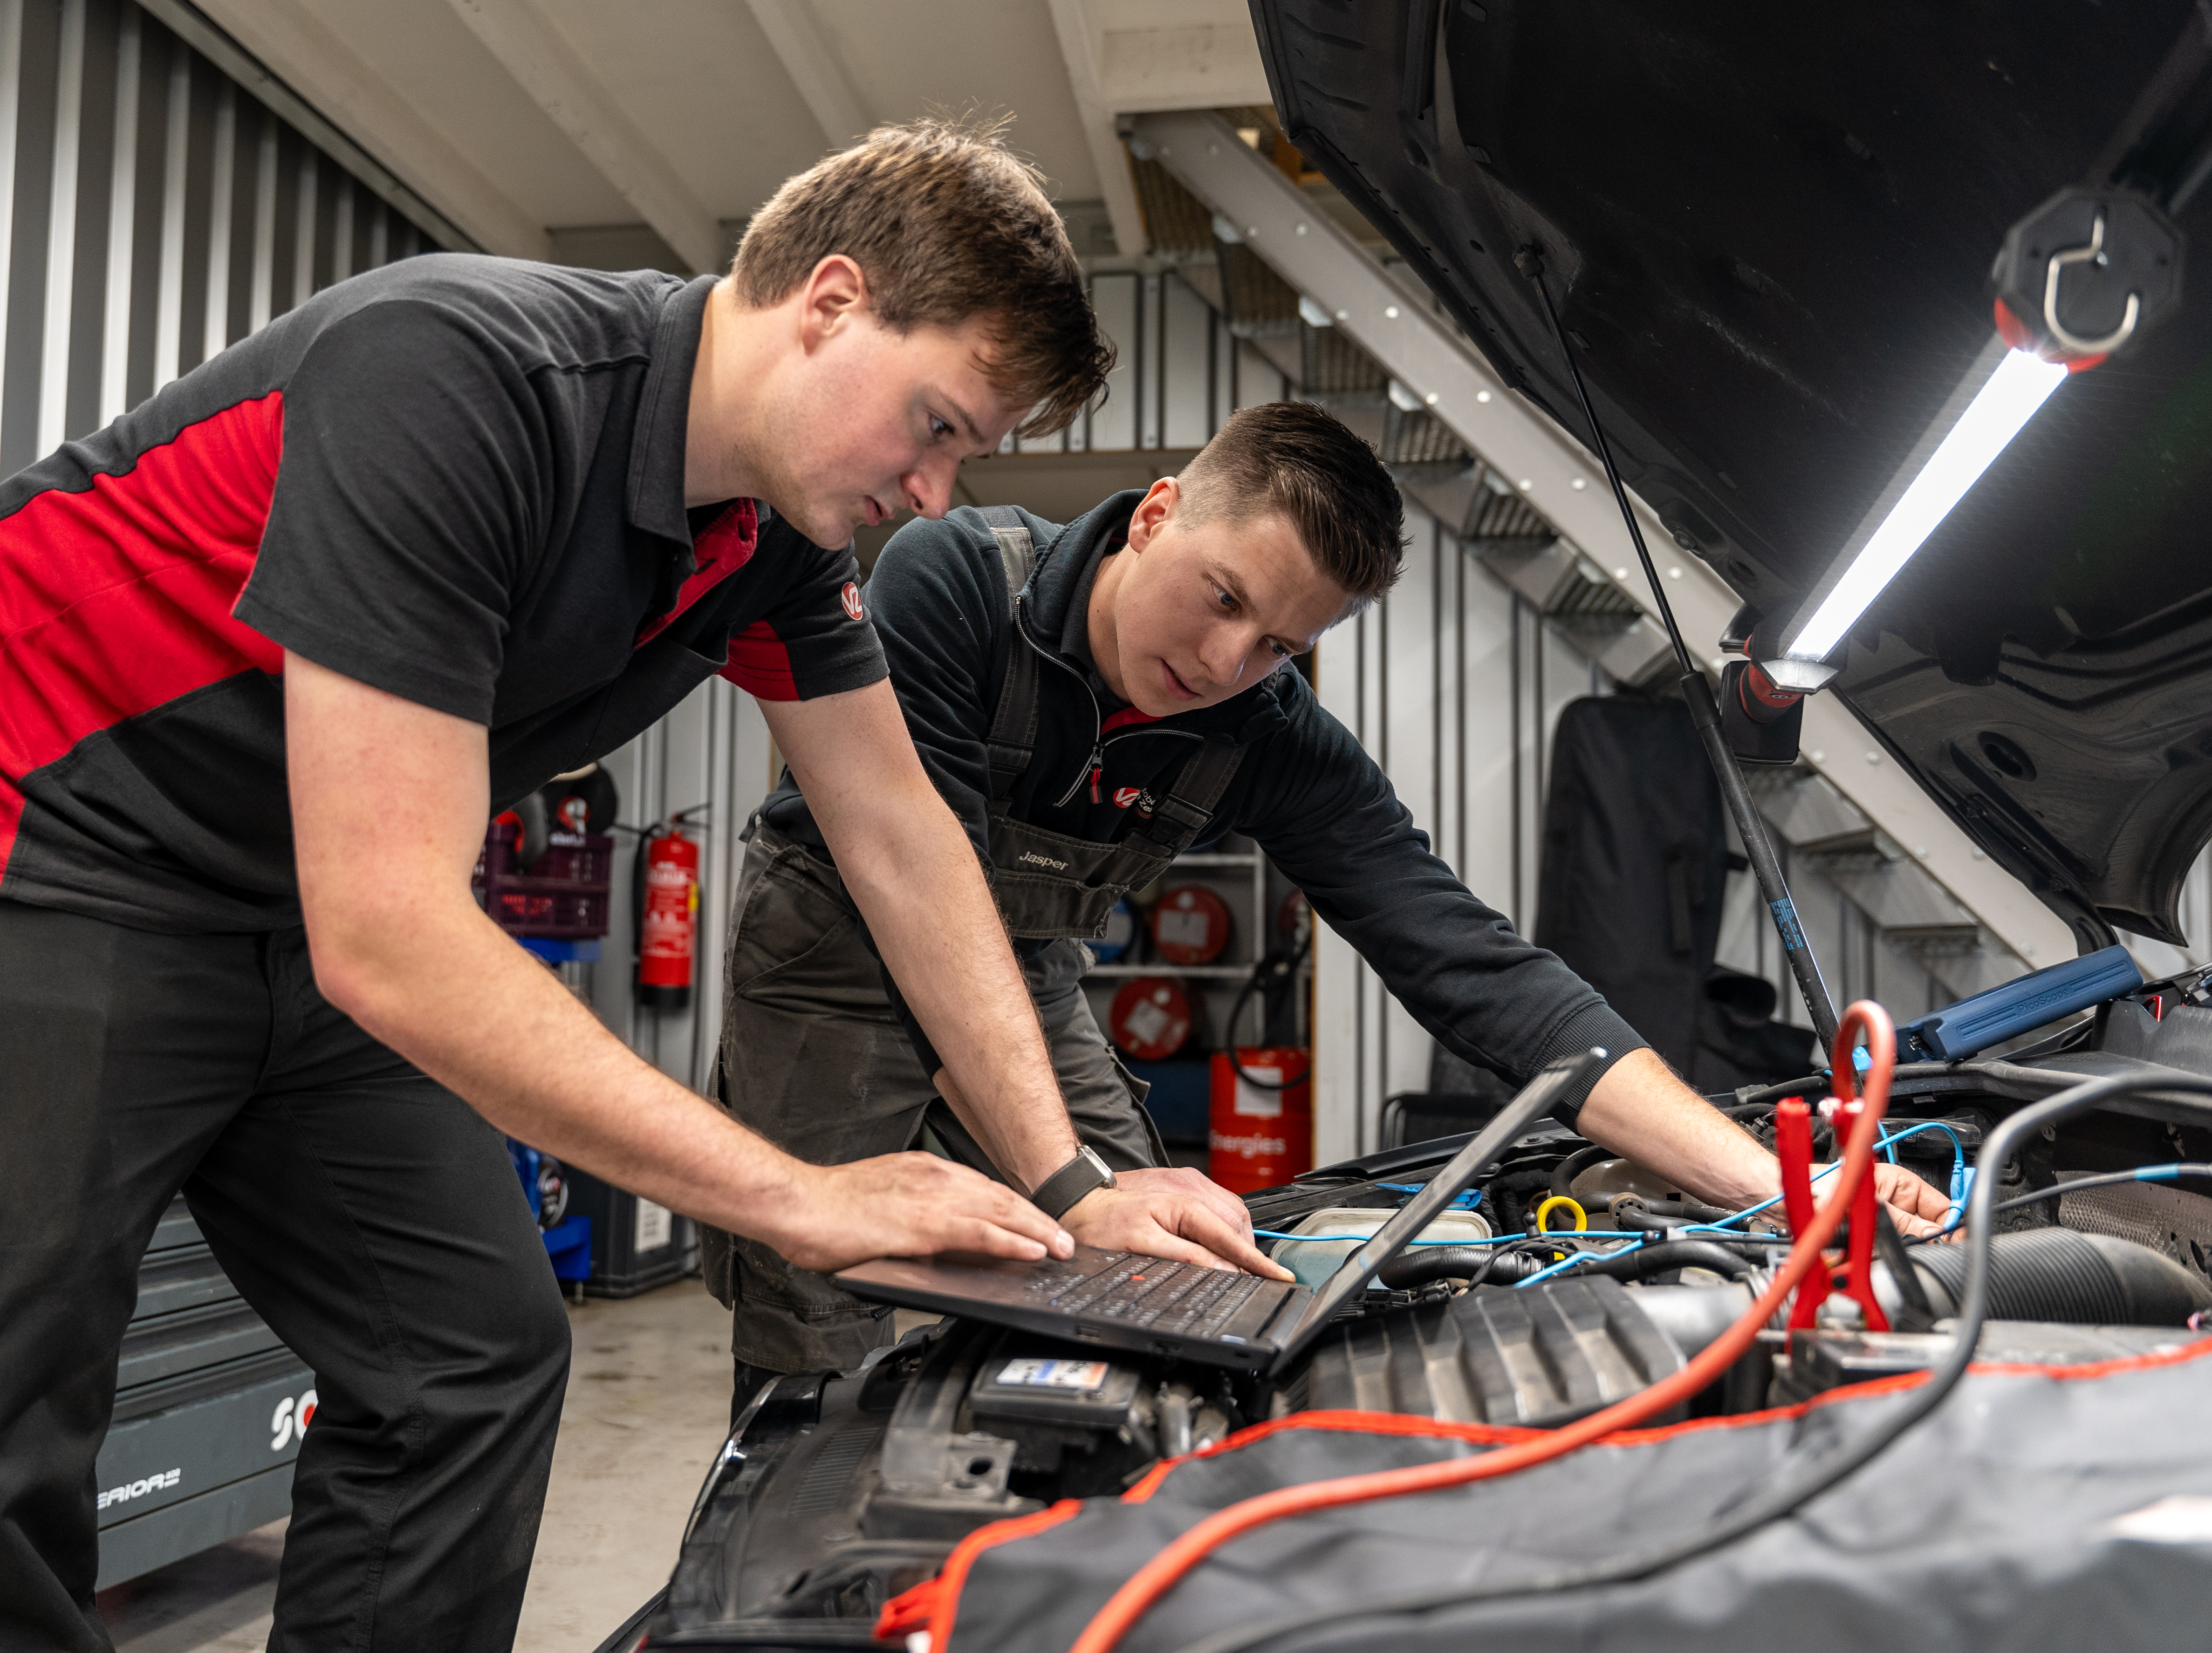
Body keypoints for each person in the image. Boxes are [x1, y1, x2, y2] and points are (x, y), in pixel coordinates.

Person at [0, 119, 1277, 1653]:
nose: (933, 489)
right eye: (936, 423)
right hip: (23, 841)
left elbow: (898, 831)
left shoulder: (762, 534)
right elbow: (393, 931)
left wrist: (1073, 1185)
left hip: (281, 898)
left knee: (470, 1357)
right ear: (829, 302)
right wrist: (803, 1197)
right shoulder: (457, 379)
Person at [703, 400, 1952, 1388]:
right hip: (838, 956)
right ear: (1154, 516)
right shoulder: (952, 584)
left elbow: (1480, 969)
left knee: (1154, 1285)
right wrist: (1071, 1182)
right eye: (1227, 597)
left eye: (1283, 646)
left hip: (1024, 970)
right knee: (828, 1324)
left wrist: (1777, 1184)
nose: (1225, 665)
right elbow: (918, 884)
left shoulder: (1269, 733)